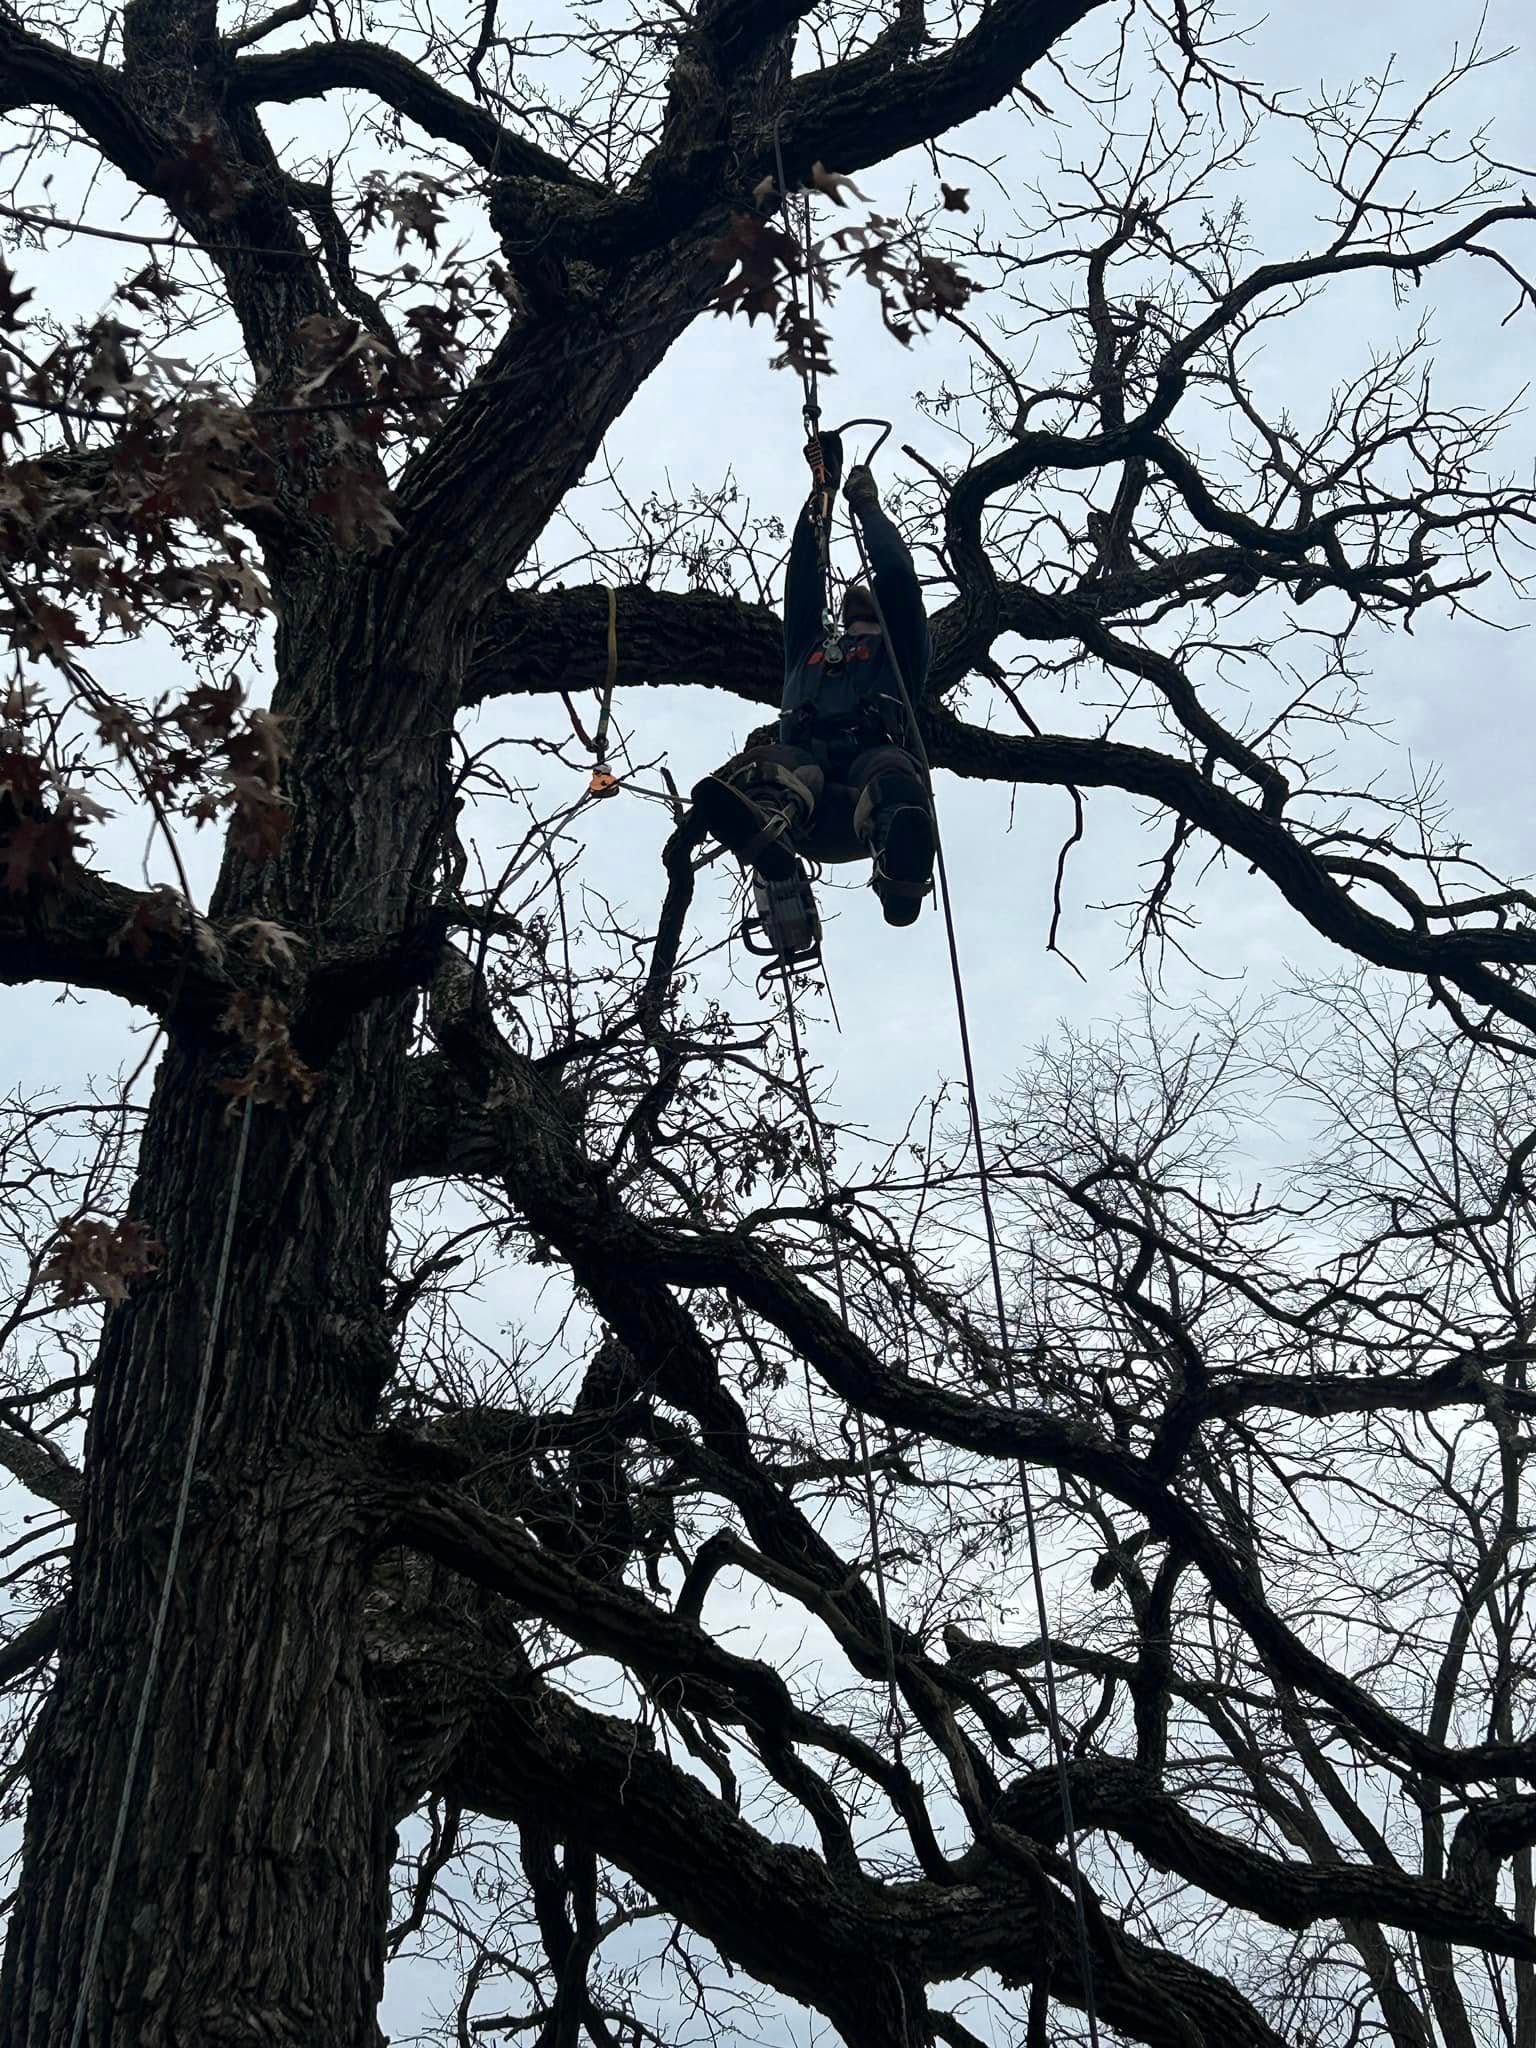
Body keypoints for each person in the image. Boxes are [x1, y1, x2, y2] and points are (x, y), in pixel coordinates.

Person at [690, 432, 935, 927]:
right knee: (773, 764)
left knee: (888, 768)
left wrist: (867, 508)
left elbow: (896, 575)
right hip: (802, 807)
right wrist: (821, 490)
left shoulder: (898, 654)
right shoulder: (809, 650)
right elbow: (804, 575)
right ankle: (765, 834)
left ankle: (901, 862)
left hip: (866, 809)